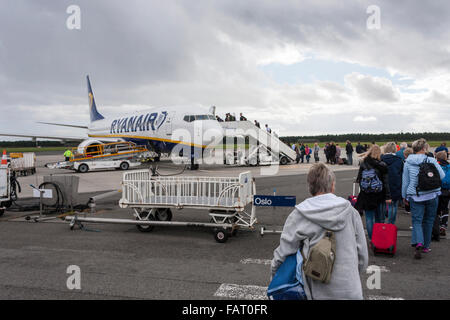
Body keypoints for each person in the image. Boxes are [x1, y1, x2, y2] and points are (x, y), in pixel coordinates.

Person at [270, 163, 368, 300]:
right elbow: (362, 256)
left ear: (310, 187)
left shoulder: (299, 214)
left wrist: (274, 277)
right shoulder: (351, 212)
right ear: (332, 185)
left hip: (316, 292)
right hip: (351, 291)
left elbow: (283, 254)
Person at [402, 138, 445, 259]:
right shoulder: (431, 159)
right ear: (424, 148)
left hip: (415, 195)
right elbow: (442, 176)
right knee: (429, 220)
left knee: (417, 220)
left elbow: (405, 181)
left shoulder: (408, 162)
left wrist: (404, 196)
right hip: (432, 194)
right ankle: (426, 246)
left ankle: (418, 242)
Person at [355, 145, 391, 240]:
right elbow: (386, 183)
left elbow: (359, 179)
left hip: (366, 194)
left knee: (369, 218)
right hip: (379, 194)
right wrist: (388, 196)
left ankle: (372, 239)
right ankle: (379, 238)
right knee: (380, 219)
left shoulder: (363, 163)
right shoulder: (382, 165)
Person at [380, 142, 403, 224]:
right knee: (393, 206)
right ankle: (391, 224)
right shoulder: (399, 160)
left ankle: (381, 224)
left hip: (382, 185)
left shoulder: (380, 159)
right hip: (395, 185)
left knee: (382, 205)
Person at [434, 151, 449, 239]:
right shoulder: (449, 166)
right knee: (445, 208)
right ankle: (444, 225)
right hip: (447, 190)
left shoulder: (436, 165)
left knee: (437, 208)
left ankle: (437, 226)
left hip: (437, 189)